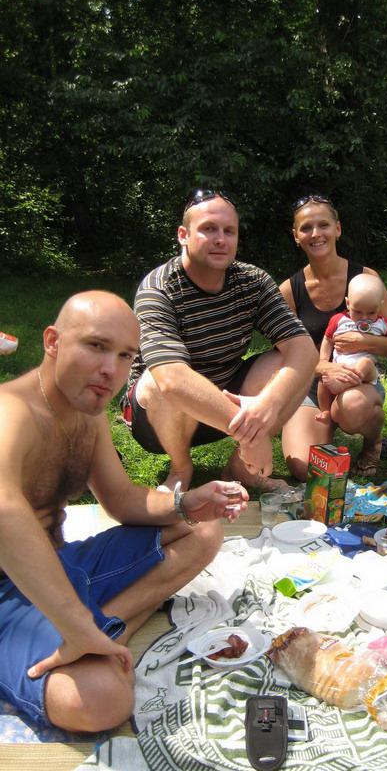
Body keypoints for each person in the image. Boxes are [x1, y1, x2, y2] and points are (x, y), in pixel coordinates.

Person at [0, 291, 249, 732]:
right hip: (7, 596)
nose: (111, 370)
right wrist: (76, 624)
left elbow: (119, 499)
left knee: (203, 529)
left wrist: (185, 502)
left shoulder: (87, 410)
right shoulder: (11, 411)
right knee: (103, 699)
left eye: (124, 356)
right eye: (96, 346)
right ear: (53, 341)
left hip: (61, 564)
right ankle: (90, 635)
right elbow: (4, 510)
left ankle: (105, 631)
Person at [122, 190, 317, 492]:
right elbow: (171, 379)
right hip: (158, 418)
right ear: (183, 235)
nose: (220, 239)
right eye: (209, 229)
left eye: (229, 231)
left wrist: (267, 406)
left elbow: (304, 350)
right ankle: (181, 469)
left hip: (226, 401)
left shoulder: (252, 281)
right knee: (156, 380)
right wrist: (251, 434)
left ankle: (241, 468)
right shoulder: (158, 288)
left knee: (291, 363)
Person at [279, 194, 387, 480]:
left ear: (337, 229)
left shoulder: (366, 278)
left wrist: (362, 343)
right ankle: (327, 427)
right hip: (314, 386)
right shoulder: (289, 290)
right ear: (296, 236)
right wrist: (324, 367)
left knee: (352, 407)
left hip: (359, 381)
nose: (316, 233)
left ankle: (373, 443)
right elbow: (285, 355)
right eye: (306, 228)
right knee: (307, 468)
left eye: (323, 225)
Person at [316, 273, 387, 424]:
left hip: (367, 374)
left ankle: (345, 383)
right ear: (348, 303)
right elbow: (328, 339)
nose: (364, 317)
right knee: (322, 380)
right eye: (358, 311)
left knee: (365, 362)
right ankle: (325, 410)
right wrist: (324, 360)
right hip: (339, 368)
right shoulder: (339, 320)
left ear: (380, 306)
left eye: (371, 312)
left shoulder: (381, 323)